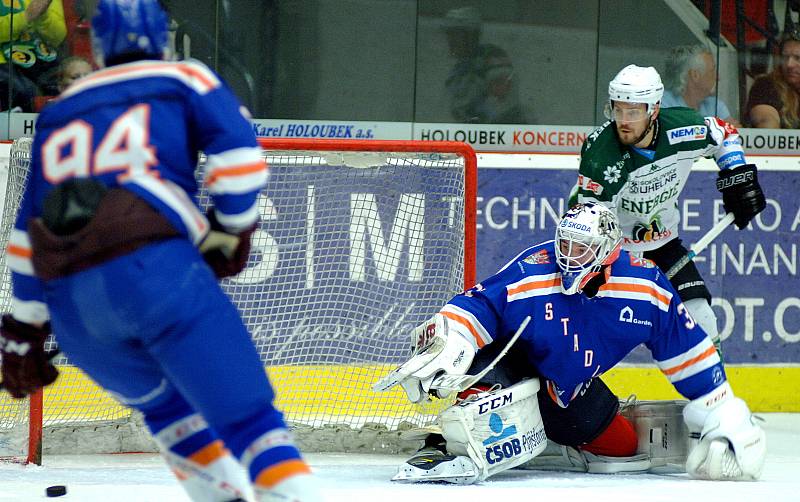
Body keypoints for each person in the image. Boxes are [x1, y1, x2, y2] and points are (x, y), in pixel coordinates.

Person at [0, 1, 319, 501]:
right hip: (158, 274)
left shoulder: (59, 111)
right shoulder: (183, 78)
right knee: (254, 425)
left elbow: (27, 238)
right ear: (162, 39)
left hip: (76, 314)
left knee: (169, 414)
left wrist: (22, 328)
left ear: (98, 45)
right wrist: (231, 230)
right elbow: (239, 164)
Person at [374, 202, 766, 484]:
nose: (567, 256)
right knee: (480, 381)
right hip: (516, 367)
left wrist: (719, 405)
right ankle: (443, 444)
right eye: (565, 244)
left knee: (622, 448)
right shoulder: (534, 268)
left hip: (569, 387)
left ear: (607, 252)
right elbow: (481, 304)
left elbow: (684, 345)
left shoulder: (646, 287)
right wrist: (453, 334)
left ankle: (543, 438)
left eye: (580, 248)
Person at [569, 64, 766, 355]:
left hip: (664, 243)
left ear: (654, 109)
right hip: (611, 251)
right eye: (618, 110)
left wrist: (737, 174)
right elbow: (591, 223)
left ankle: (714, 398)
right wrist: (607, 268)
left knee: (701, 319)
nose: (623, 121)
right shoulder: (602, 157)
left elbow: (724, 134)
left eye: (633, 112)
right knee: (598, 332)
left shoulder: (682, 129)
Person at [443, 6, 526, 124]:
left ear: (471, 36)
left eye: (456, 35)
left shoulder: (493, 58)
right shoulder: (459, 69)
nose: (450, 41)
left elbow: (503, 102)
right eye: (449, 34)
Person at [0, 0, 66, 111]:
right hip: (3, 61)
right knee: (25, 92)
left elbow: (57, 37)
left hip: (42, 56)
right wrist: (25, 16)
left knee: (63, 86)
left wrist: (43, 16)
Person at [662, 44, 741, 126]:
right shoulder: (663, 105)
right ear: (695, 75)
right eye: (712, 71)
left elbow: (736, 134)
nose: (718, 77)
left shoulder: (715, 106)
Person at [746, 31, 800, 128]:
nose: (789, 64)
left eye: (798, 58)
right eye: (785, 57)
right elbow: (766, 122)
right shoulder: (766, 85)